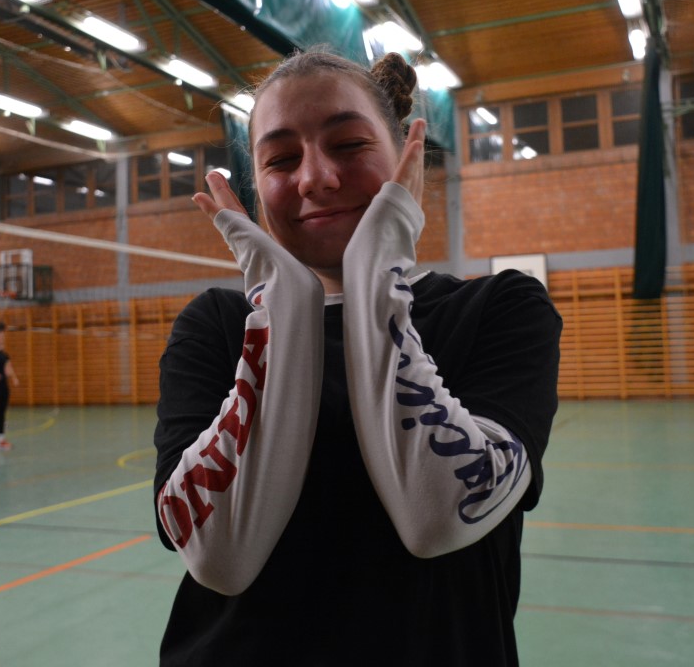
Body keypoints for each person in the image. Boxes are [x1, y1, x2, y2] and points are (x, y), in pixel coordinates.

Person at [152, 48, 562, 666]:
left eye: (347, 145)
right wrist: (283, 303)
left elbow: (437, 515)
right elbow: (221, 554)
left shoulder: (502, 308)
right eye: (281, 159)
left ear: (407, 158)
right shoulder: (215, 326)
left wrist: (376, 268)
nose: (314, 178)